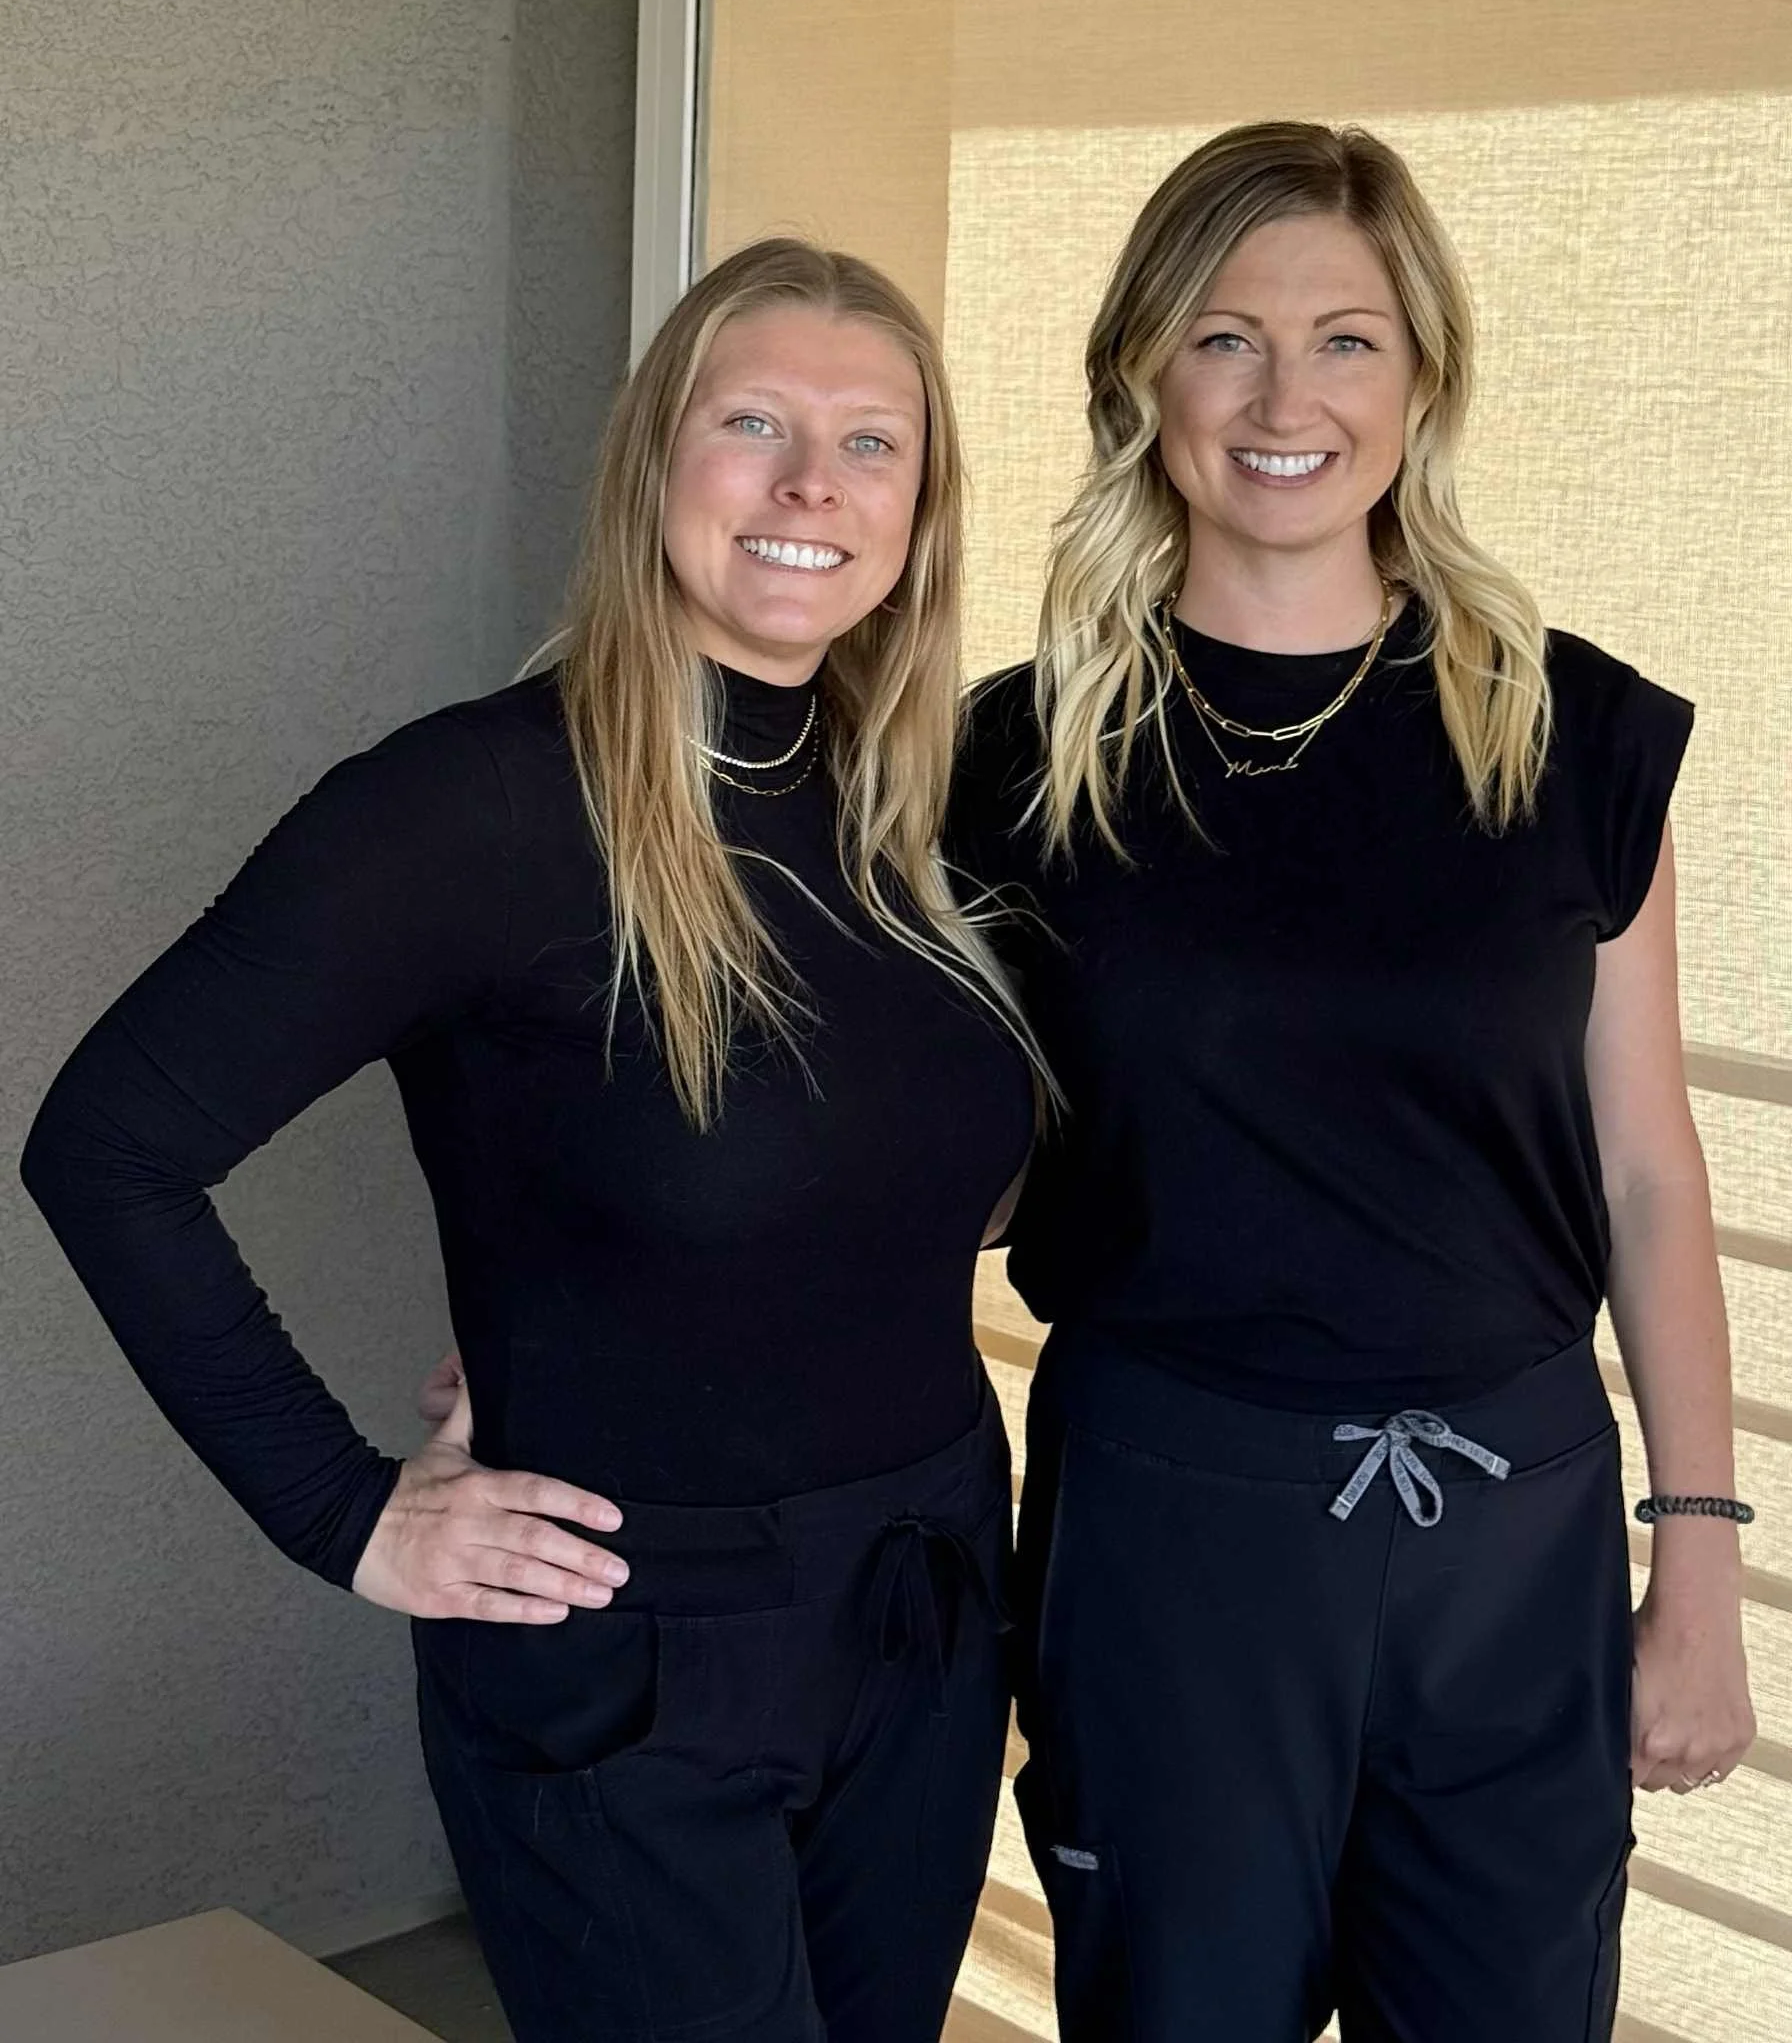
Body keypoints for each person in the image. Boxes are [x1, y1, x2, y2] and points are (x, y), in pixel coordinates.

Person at [22, 238, 1037, 2043]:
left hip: (927, 1606)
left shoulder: (919, 818)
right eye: (756, 424)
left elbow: (874, 1191)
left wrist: (595, 1290)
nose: (815, 485)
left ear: (924, 509)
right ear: (656, 460)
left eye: (873, 443)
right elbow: (107, 1150)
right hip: (627, 1658)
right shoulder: (471, 807)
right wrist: (344, 1515)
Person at [949, 122, 1756, 2043]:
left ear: (1424, 382)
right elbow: (930, 1162)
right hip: (1170, 1523)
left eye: (1348, 340)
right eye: (1224, 336)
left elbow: (1646, 1170)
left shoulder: (1568, 735)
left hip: (1515, 1532)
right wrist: (631, 1335)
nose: (1284, 395)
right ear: (1144, 372)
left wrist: (1705, 1564)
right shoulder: (1024, 757)